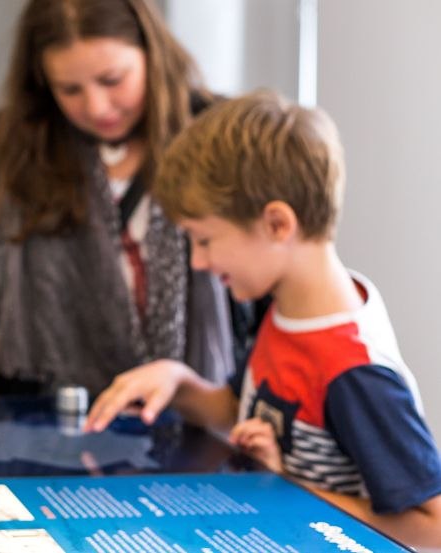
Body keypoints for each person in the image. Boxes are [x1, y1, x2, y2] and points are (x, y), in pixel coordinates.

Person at [85, 91, 441, 546]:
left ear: (277, 224)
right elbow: (240, 406)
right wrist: (177, 381)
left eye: (205, 240)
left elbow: (431, 525)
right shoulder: (287, 310)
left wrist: (285, 488)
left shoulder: (353, 369)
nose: (197, 262)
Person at [0, 0, 237, 399]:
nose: (97, 107)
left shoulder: (220, 132)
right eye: (70, 89)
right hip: (37, 407)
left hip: (196, 406)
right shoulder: (16, 141)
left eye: (113, 79)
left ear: (151, 54)